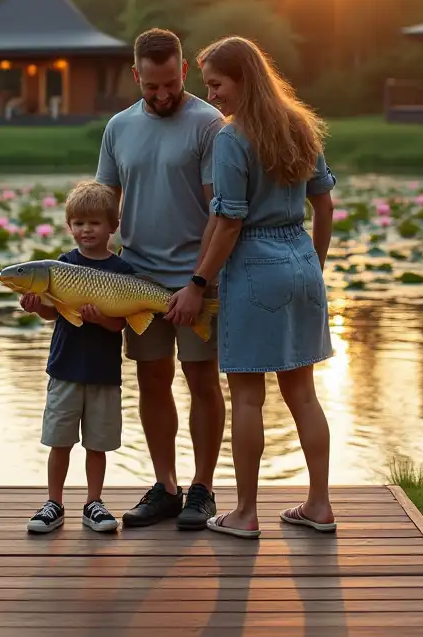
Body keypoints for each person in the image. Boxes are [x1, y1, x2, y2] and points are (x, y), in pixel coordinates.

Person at [173, 36, 337, 540]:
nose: (213, 95)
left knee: (247, 397)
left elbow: (228, 224)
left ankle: (245, 513)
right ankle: (319, 505)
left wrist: (198, 283)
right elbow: (324, 206)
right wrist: (313, 263)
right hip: (301, 261)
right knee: (303, 394)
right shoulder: (301, 125)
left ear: (242, 79)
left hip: (253, 268)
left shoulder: (232, 138)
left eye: (217, 84)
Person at [96, 28, 227, 530]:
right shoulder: (118, 127)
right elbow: (105, 205)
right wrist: (87, 274)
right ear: (136, 76)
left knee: (202, 380)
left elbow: (220, 212)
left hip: (197, 281)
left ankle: (203, 489)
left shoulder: (209, 123)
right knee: (152, 380)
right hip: (136, 281)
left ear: (183, 71)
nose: (162, 94)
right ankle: (167, 486)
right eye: (152, 86)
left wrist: (198, 282)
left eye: (170, 83)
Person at [22, 180, 135, 534]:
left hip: (103, 372)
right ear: (69, 227)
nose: (87, 230)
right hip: (65, 368)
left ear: (112, 227)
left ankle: (94, 502)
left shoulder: (122, 271)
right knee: (60, 440)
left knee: (97, 444)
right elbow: (54, 314)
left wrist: (102, 318)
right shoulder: (61, 266)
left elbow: (120, 326)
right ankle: (53, 502)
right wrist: (36, 307)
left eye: (95, 223)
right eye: (79, 223)